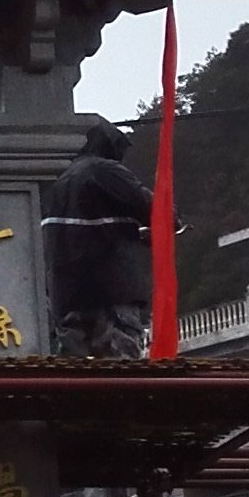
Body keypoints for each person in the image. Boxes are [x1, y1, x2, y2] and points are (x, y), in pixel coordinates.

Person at [43, 117, 155, 357]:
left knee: (75, 369)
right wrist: (170, 220)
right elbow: (148, 204)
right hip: (111, 291)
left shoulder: (59, 183)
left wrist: (133, 232)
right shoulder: (103, 170)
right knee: (121, 363)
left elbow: (87, 231)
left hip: (66, 296)